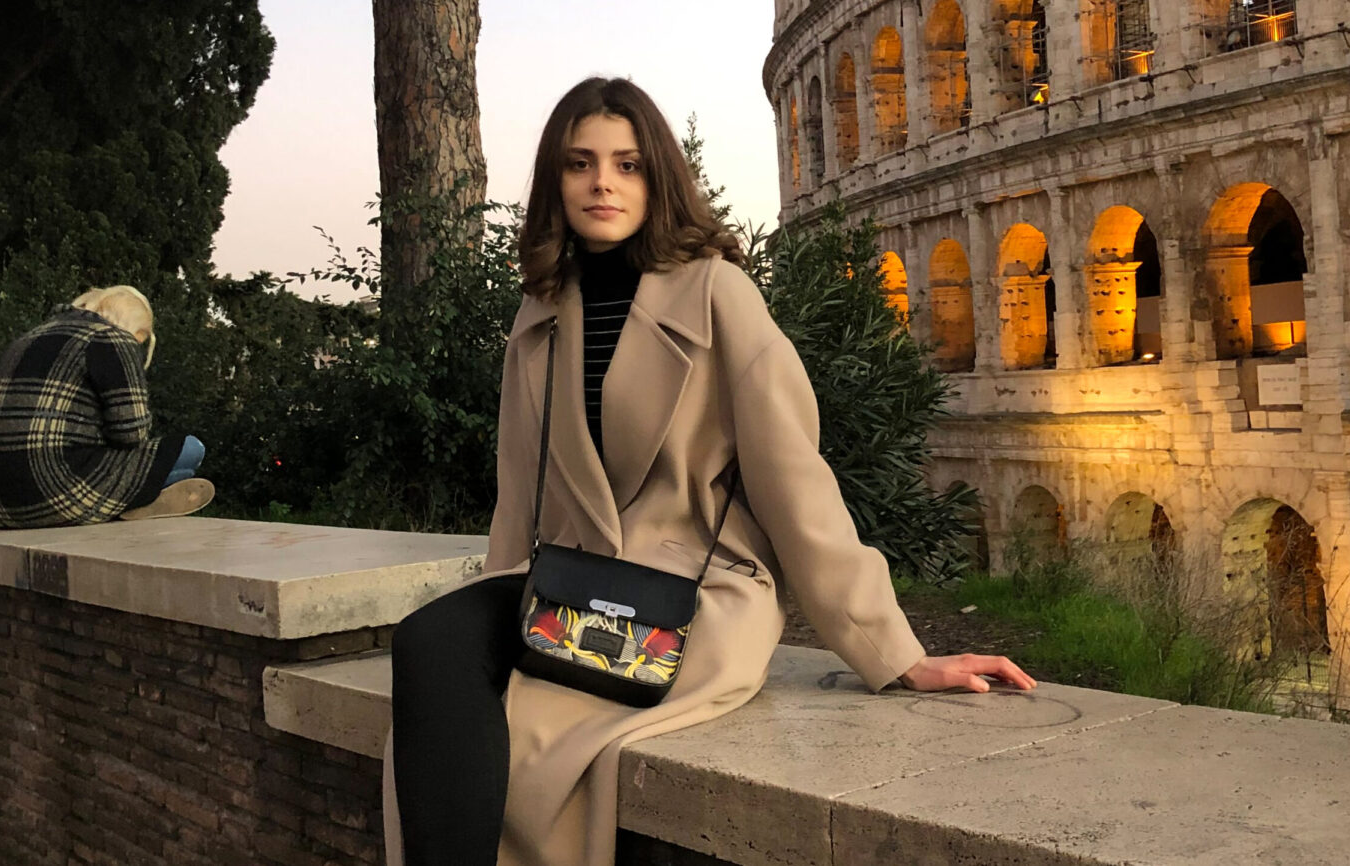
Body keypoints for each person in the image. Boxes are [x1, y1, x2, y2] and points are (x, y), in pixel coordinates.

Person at [383, 77, 1036, 866]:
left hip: (692, 592)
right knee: (430, 639)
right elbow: (520, 491)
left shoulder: (717, 292)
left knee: (521, 720)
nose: (602, 183)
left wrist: (893, 651)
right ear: (555, 181)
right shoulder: (541, 311)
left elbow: (793, 478)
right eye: (580, 163)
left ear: (657, 178)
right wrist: (505, 609)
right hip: (573, 582)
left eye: (627, 165)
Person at [0, 285, 214, 528]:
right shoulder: (112, 339)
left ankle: (132, 498)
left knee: (156, 468)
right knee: (189, 449)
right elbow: (132, 434)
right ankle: (134, 501)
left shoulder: (26, 339)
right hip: (51, 489)